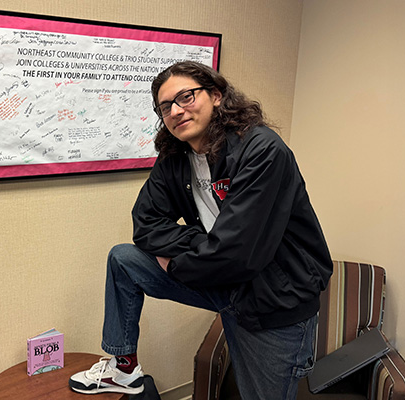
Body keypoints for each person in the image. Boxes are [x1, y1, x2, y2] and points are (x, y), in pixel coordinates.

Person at [68, 61, 333, 399]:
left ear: (216, 95)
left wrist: (177, 264)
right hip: (218, 278)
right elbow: (145, 224)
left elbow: (239, 253)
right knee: (124, 259)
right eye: (166, 106)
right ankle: (124, 368)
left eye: (186, 97)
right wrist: (203, 243)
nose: (176, 111)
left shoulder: (263, 150)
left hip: (272, 299)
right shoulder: (176, 156)